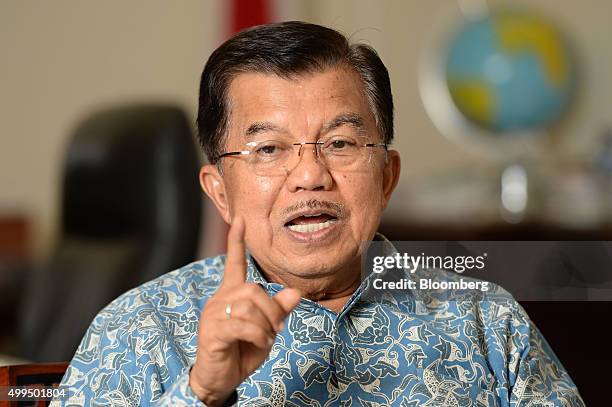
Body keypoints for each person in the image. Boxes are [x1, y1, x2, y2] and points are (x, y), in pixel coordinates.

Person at [52, 21, 584, 406]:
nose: (310, 175)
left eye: (341, 142)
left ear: (387, 177)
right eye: (268, 150)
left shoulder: (487, 321)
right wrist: (201, 393)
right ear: (219, 191)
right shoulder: (139, 329)